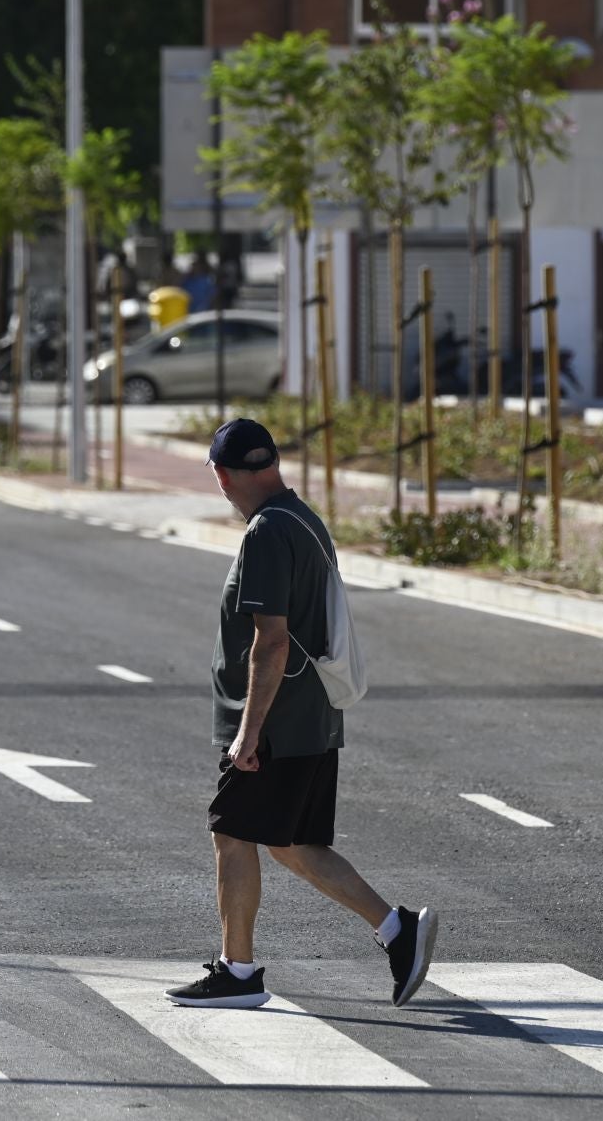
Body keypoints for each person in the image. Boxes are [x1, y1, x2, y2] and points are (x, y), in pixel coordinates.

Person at [167, 419, 437, 1010]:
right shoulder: (302, 517)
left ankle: (238, 973)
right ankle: (398, 931)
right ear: (273, 464)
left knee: (232, 833)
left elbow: (272, 640)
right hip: (312, 714)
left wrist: (248, 732)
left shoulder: (267, 532)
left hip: (279, 720)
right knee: (292, 843)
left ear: (222, 476)